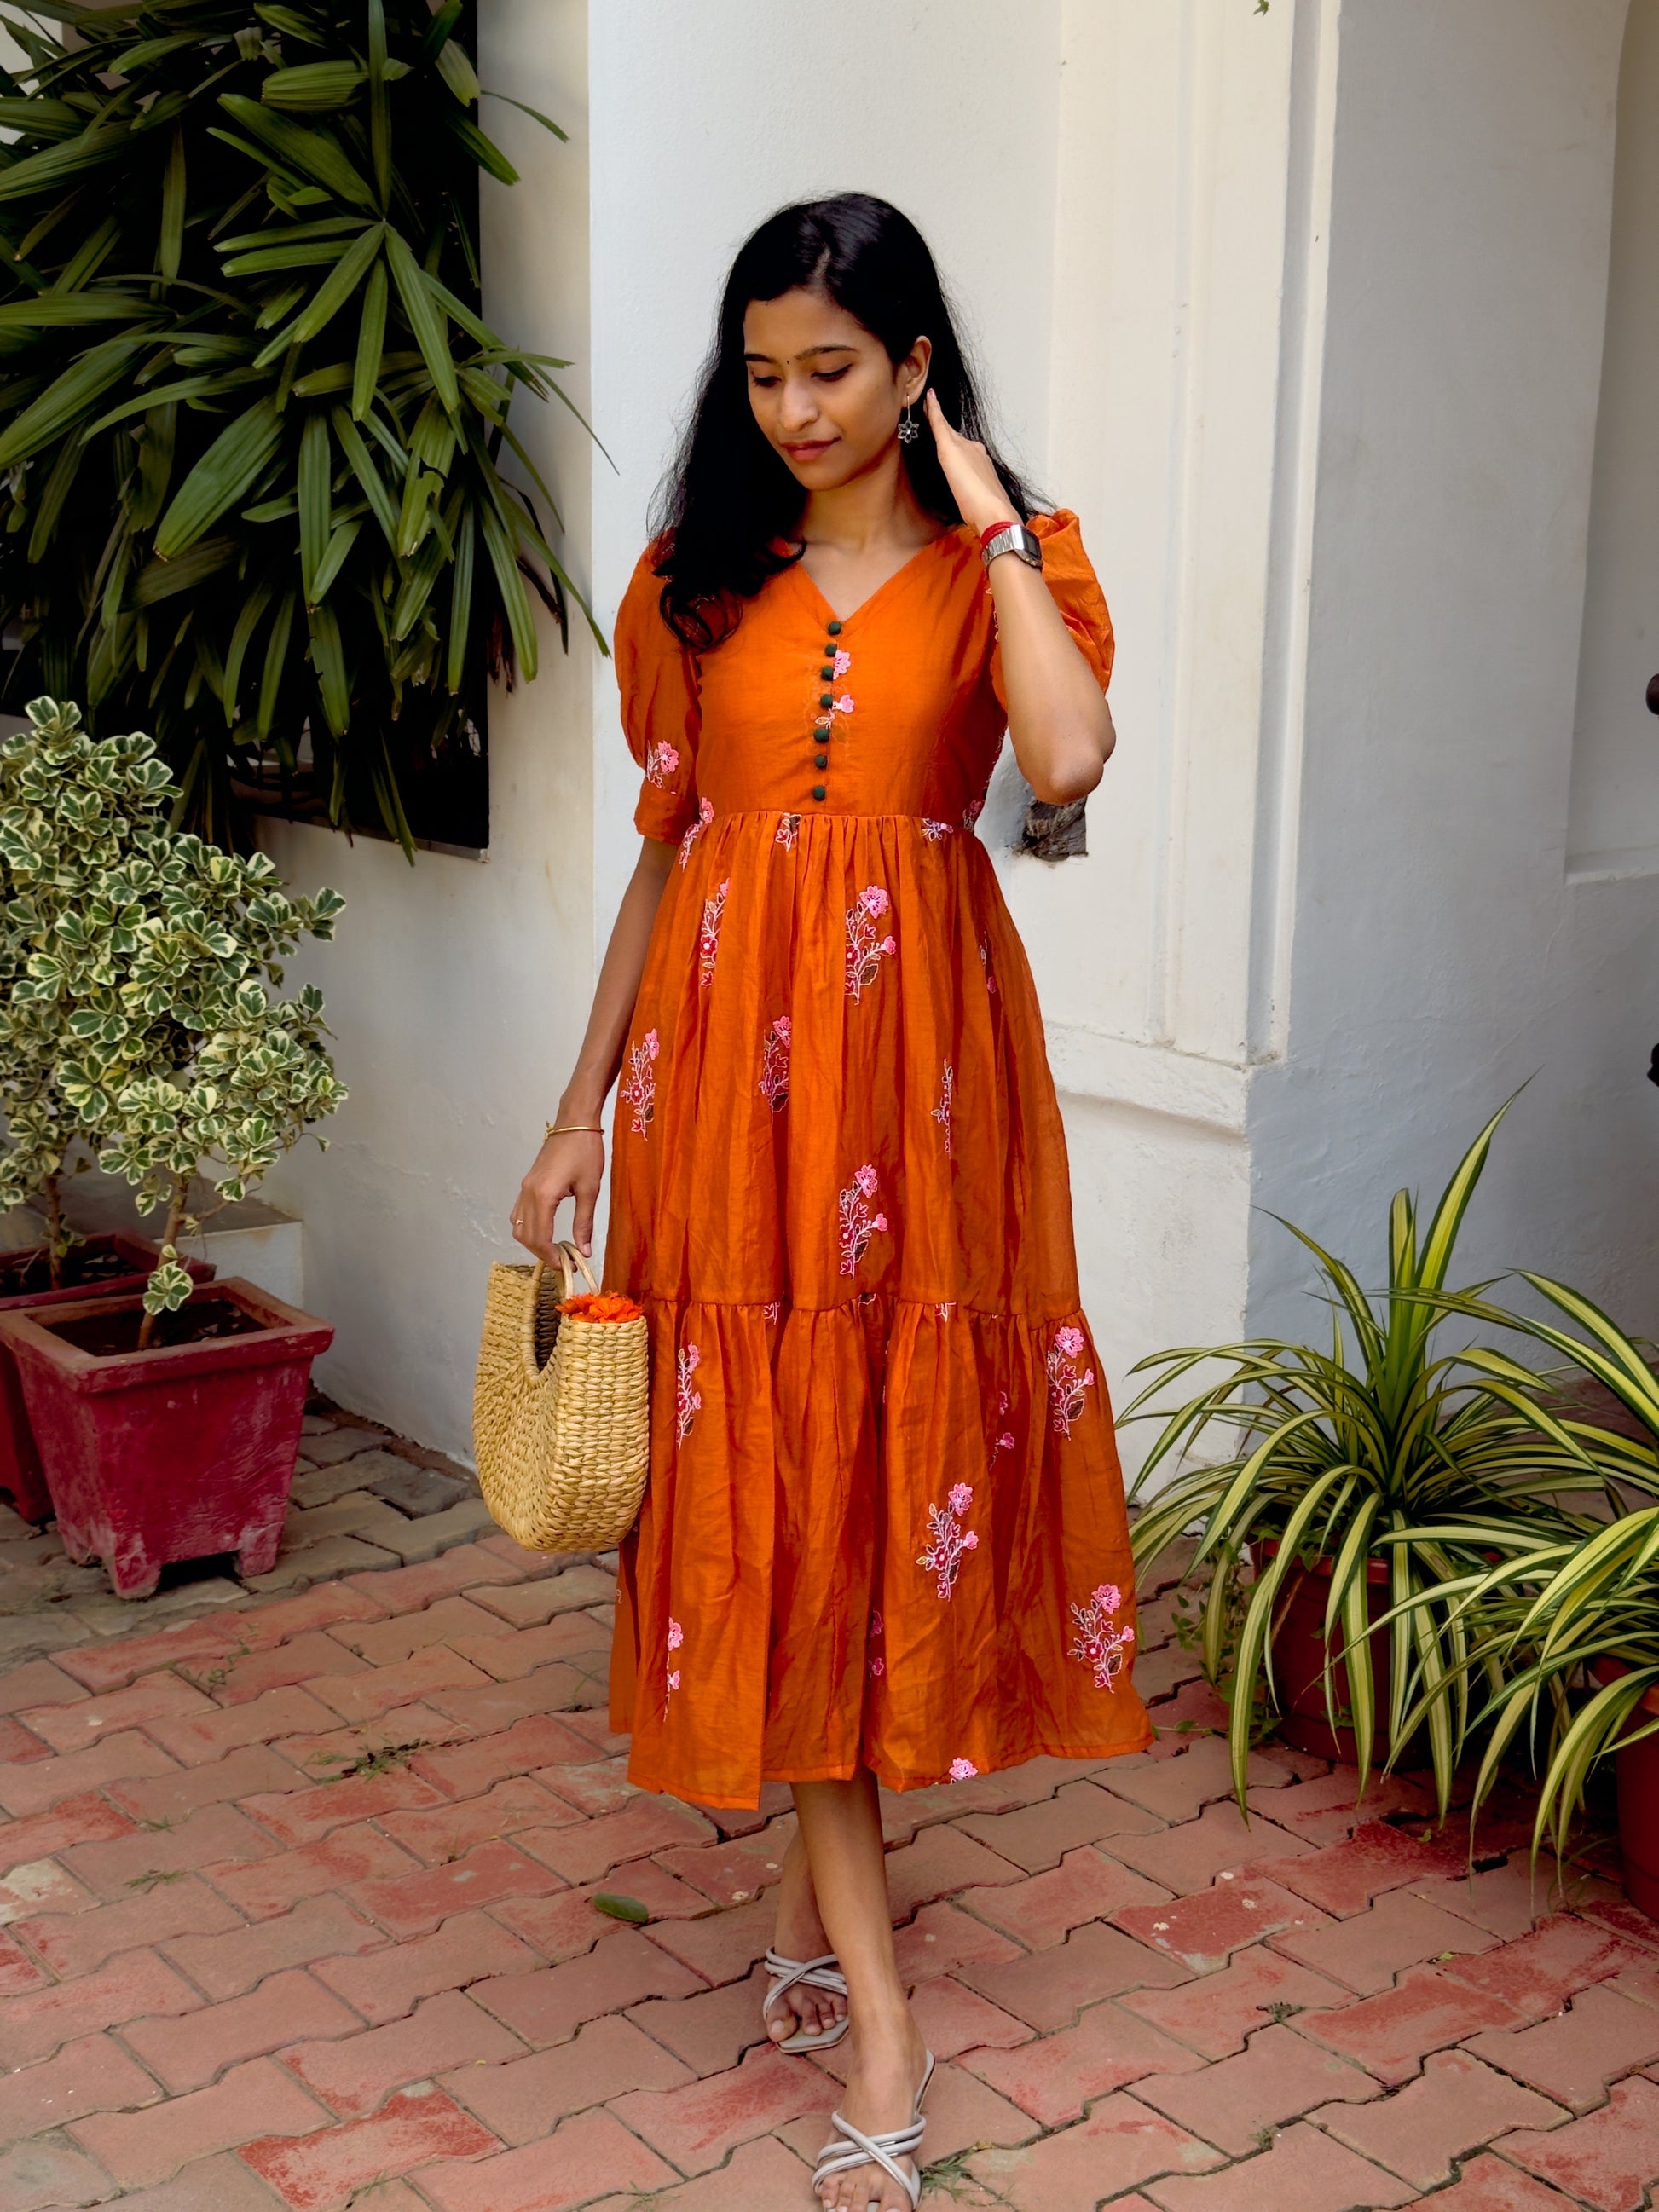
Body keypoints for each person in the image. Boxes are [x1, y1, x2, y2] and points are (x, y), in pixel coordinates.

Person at [512, 192, 1149, 2212]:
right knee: (774, 1487)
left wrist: (995, 520)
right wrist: (575, 1115)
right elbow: (668, 855)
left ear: (913, 365)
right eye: (764, 371)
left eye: (835, 370)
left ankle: (817, 1929)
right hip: (725, 1092)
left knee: (875, 1480)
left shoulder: (1007, 571)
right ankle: (878, 2005)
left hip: (924, 1090)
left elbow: (1066, 756)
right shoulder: (693, 584)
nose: (793, 409)